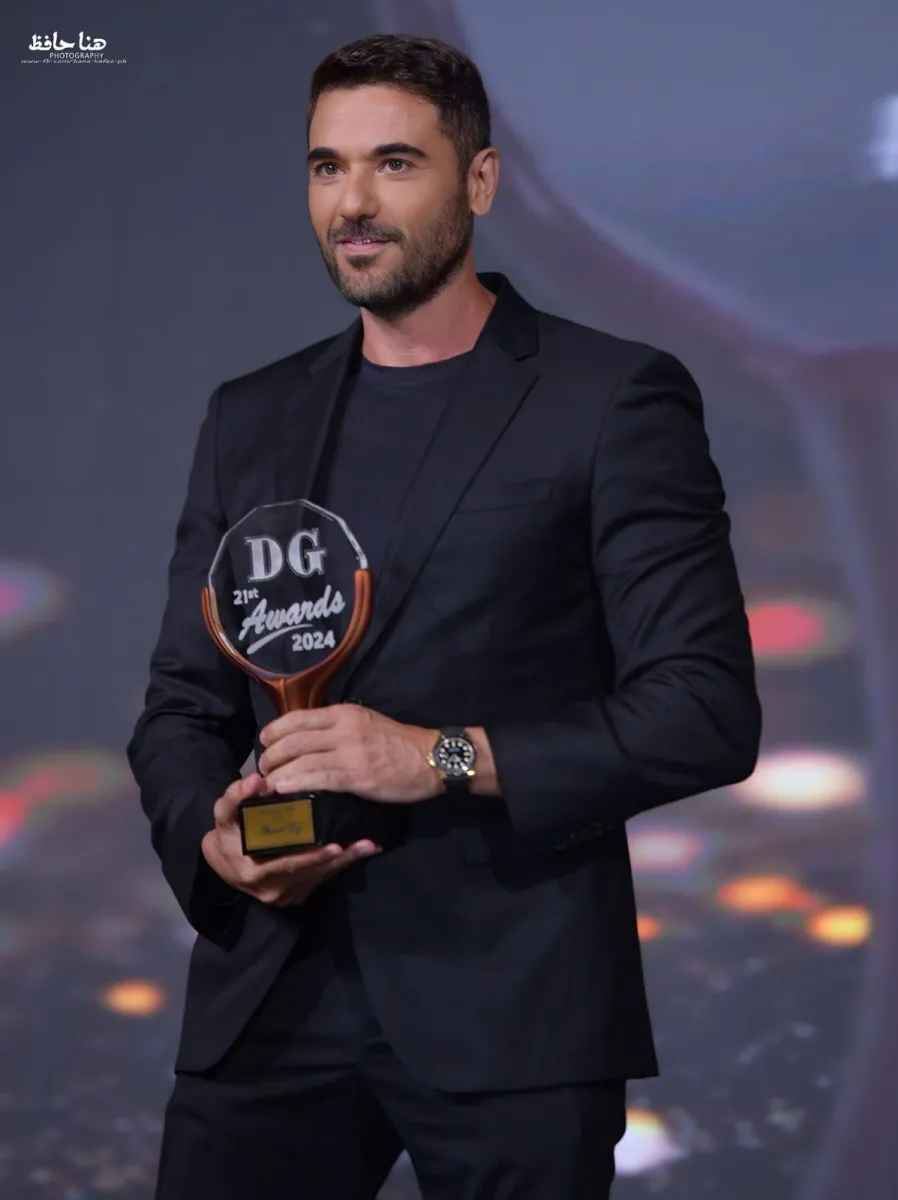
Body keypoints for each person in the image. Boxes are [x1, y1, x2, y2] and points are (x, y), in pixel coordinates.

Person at [128, 32, 762, 1200]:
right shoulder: (250, 416)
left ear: (478, 180)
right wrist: (212, 847)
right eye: (327, 167)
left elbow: (703, 710)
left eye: (394, 164)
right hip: (268, 1000)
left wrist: (438, 757)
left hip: (514, 1008)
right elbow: (181, 706)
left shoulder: (608, 397)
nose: (353, 205)